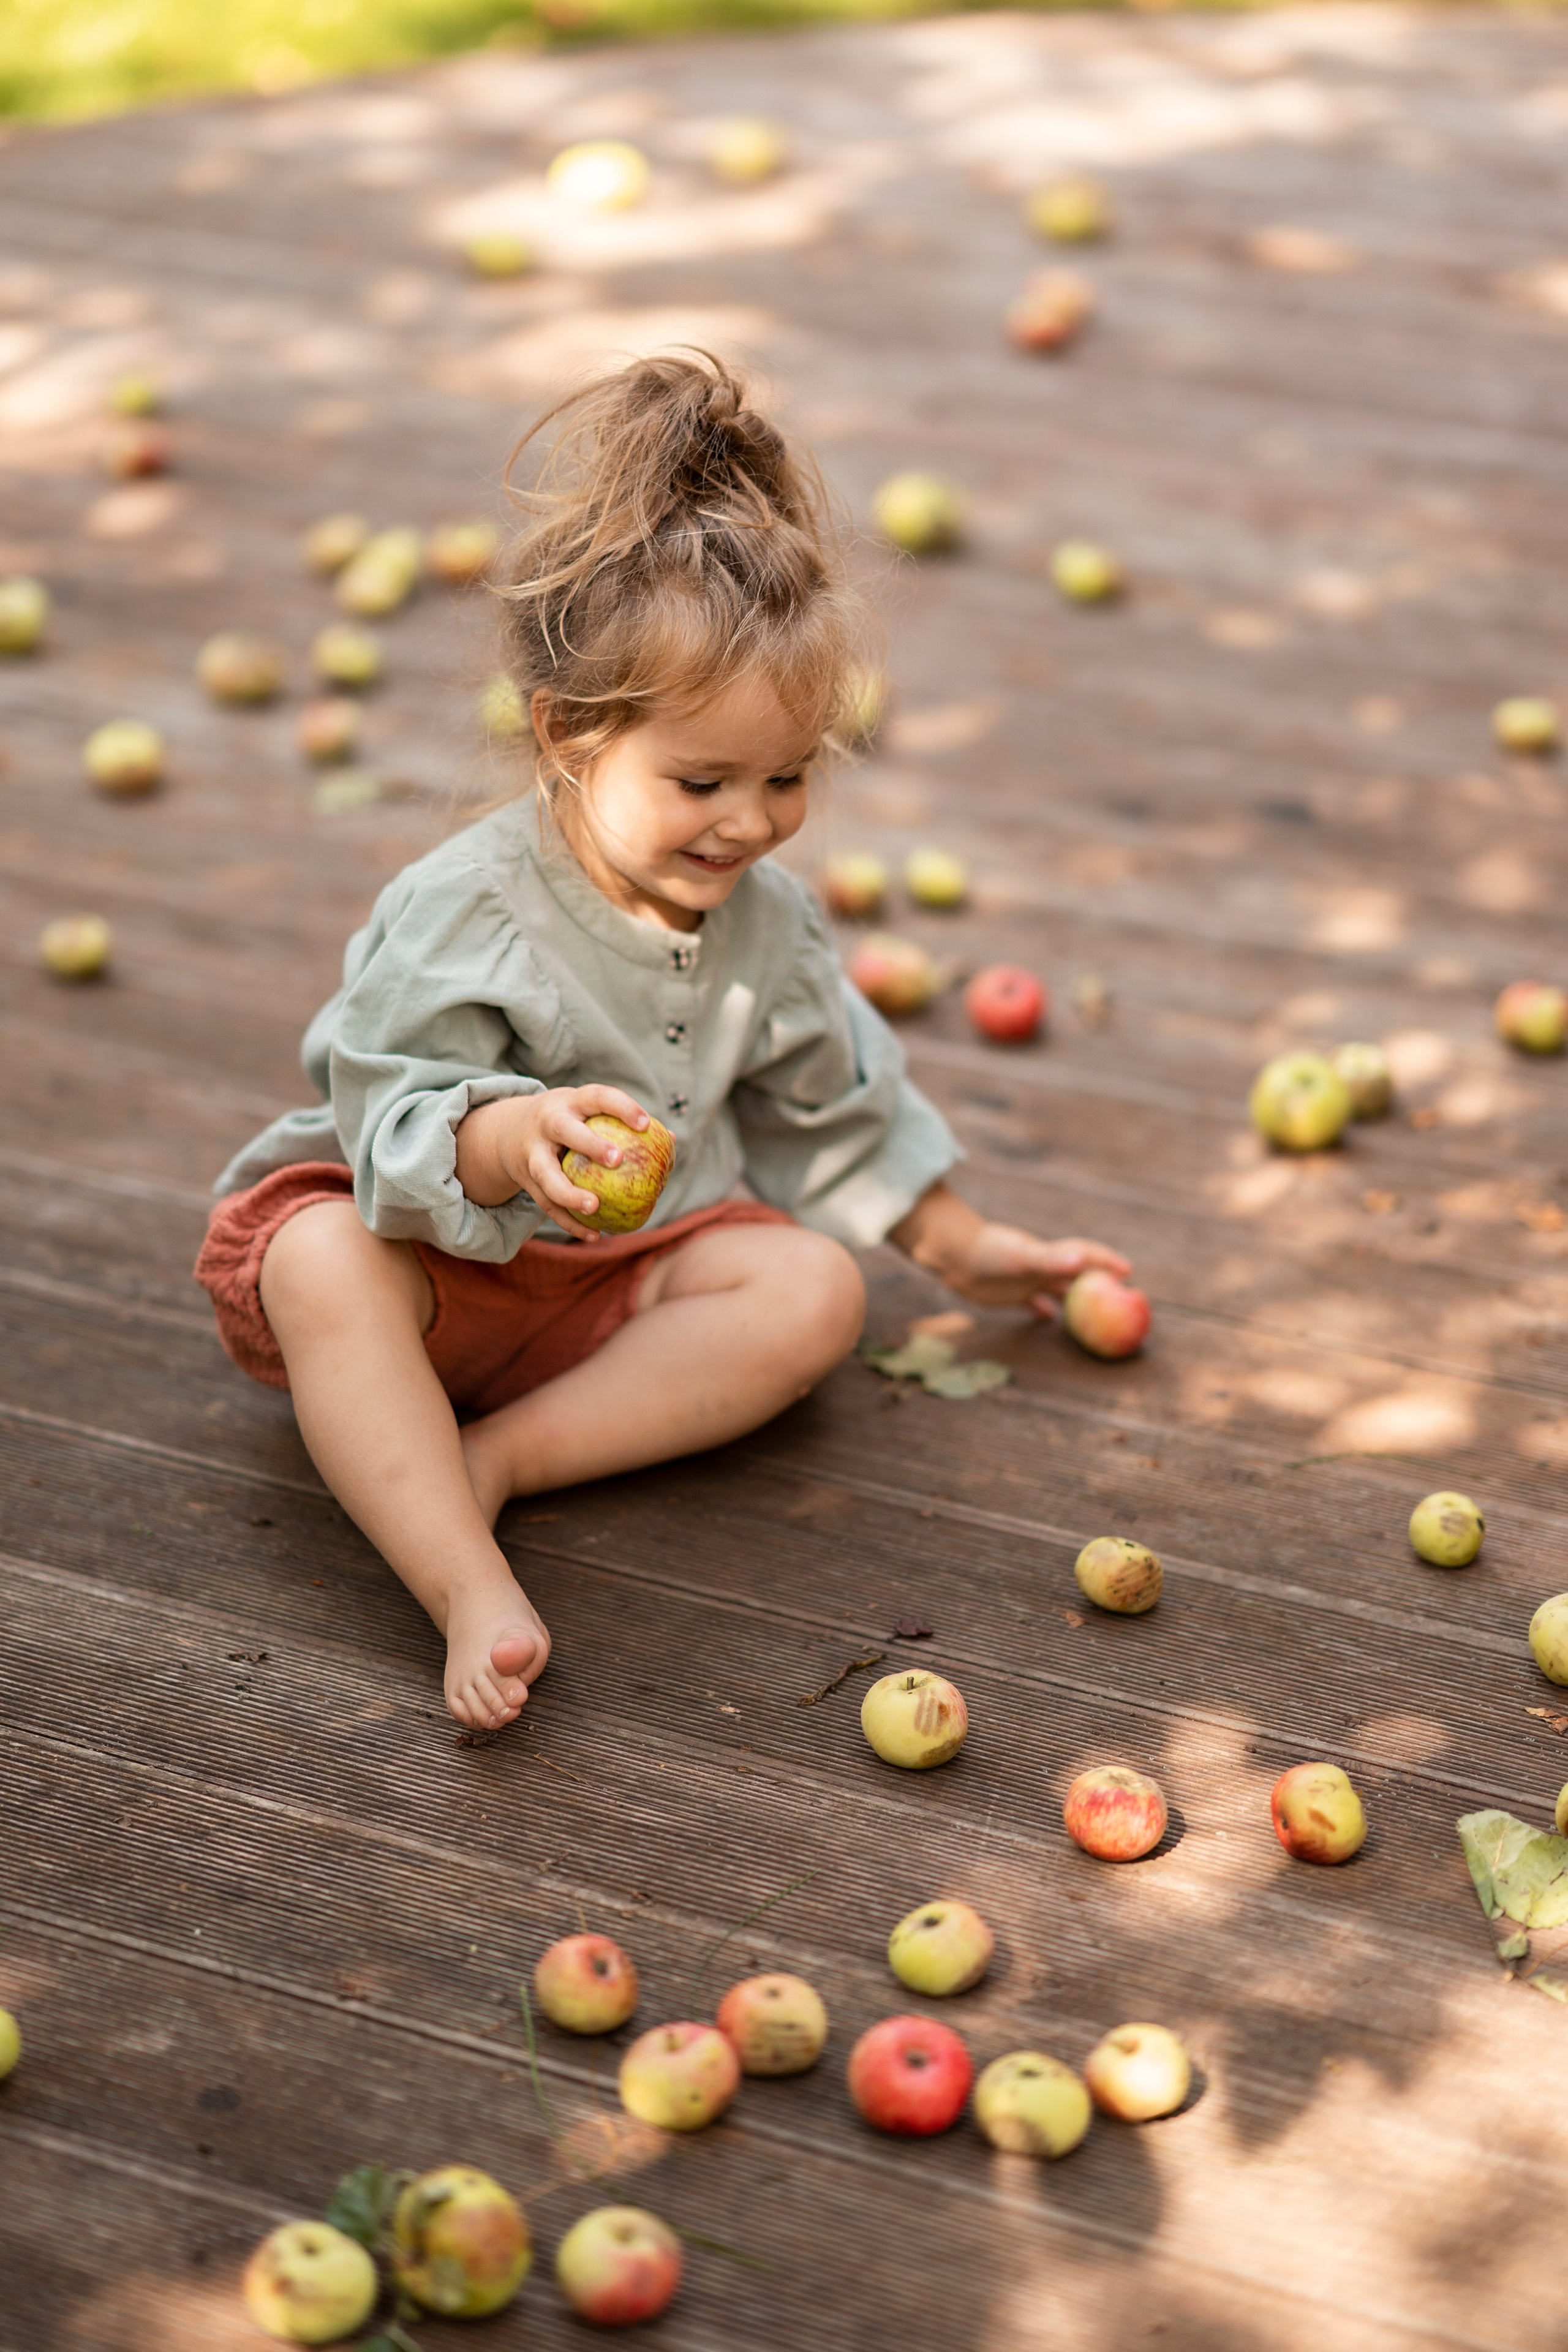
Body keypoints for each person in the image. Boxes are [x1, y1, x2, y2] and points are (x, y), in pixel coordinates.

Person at [195, 351, 1131, 1734]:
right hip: (439, 1271)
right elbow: (387, 1109)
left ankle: (500, 1459)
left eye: (787, 777)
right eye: (701, 781)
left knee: (813, 1290)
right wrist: (513, 1137)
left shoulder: (771, 926)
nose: (749, 822)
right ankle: (462, 1579)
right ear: (568, 734)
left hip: (625, 1286)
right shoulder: (466, 909)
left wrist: (960, 1244)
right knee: (316, 1261)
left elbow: (833, 1106)